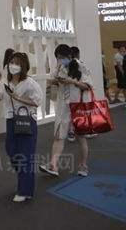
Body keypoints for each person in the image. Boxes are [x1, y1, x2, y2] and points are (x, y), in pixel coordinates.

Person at [0, 52, 43, 202]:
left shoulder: (29, 83)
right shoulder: (5, 82)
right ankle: (24, 178)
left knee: (25, 156)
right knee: (11, 150)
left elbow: (37, 101)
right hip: (11, 121)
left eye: (17, 63)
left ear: (23, 66)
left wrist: (18, 98)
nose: (13, 65)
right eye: (11, 62)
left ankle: (25, 191)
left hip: (27, 121)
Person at [39, 44, 92, 177]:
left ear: (69, 56)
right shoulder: (60, 67)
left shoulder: (80, 66)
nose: (60, 60)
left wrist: (72, 81)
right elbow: (51, 81)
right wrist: (58, 76)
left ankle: (83, 165)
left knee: (80, 138)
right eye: (58, 57)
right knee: (59, 136)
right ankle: (53, 165)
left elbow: (88, 86)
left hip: (77, 107)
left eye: (62, 57)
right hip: (63, 106)